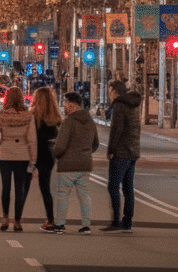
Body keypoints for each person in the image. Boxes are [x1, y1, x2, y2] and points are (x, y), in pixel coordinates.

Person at [51, 91, 99, 234]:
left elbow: (60, 145)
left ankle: (60, 224)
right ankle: (86, 225)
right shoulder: (90, 121)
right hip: (85, 163)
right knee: (84, 194)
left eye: (65, 103)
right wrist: (85, 153)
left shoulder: (69, 121)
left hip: (68, 164)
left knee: (63, 194)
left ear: (71, 105)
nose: (64, 106)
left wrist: (56, 153)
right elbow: (95, 143)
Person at [0, 85, 36, 232]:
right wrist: (33, 158)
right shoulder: (28, 116)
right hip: (23, 155)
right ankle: (17, 221)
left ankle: (5, 218)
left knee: (6, 187)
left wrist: (0, 147)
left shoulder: (2, 114)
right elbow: (32, 139)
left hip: (5, 155)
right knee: (19, 189)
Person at [104, 79, 141, 232]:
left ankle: (115, 220)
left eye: (109, 92)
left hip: (121, 152)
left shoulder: (119, 105)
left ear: (114, 91)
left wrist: (110, 149)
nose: (109, 95)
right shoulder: (133, 105)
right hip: (133, 151)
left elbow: (116, 130)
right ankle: (127, 221)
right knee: (128, 188)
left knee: (113, 186)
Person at [30, 86, 62, 232]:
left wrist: (34, 163)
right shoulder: (54, 117)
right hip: (49, 156)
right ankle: (50, 219)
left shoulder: (33, 116)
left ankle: (17, 218)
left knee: (23, 187)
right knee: (45, 188)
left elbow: (33, 139)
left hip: (36, 155)